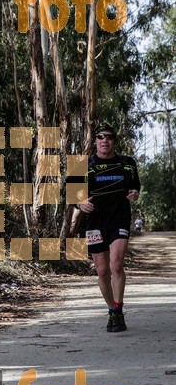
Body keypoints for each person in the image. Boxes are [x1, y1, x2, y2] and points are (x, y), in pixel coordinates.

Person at [78, 123, 140, 333]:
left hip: (119, 220)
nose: (105, 140)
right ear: (94, 140)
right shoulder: (83, 166)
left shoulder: (127, 163)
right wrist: (80, 203)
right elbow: (71, 194)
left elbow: (135, 188)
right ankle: (111, 308)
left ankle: (118, 310)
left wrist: (134, 194)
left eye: (109, 137)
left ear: (114, 141)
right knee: (102, 271)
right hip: (95, 223)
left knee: (116, 265)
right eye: (100, 137)